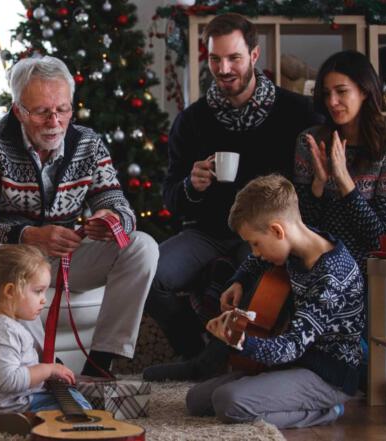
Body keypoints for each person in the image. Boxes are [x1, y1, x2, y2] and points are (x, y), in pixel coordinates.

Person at [143, 13, 320, 381]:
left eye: (234, 58)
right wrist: (192, 186)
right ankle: (196, 352)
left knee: (259, 281)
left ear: (254, 56)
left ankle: (218, 361)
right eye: (214, 59)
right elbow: (171, 199)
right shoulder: (192, 121)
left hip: (261, 234)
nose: (223, 69)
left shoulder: (296, 112)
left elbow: (311, 190)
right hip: (205, 232)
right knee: (148, 275)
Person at [0, 56, 158, 376]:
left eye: (63, 109)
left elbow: (118, 203)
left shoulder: (88, 143)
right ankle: (39, 369)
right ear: (18, 111)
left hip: (67, 255)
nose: (54, 121)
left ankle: (100, 362)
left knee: (142, 246)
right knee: (4, 263)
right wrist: (29, 235)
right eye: (42, 111)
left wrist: (110, 220)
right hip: (14, 255)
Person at [186, 174, 364, 429]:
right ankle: (270, 395)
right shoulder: (296, 242)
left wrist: (236, 338)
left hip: (329, 375)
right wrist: (239, 281)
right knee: (197, 400)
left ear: (277, 230)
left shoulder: (331, 277)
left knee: (227, 403)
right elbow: (255, 261)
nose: (255, 252)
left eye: (255, 244)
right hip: (296, 363)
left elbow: (291, 346)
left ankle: (326, 411)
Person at [0, 244, 92, 430]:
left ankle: (31, 421)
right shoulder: (4, 331)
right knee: (82, 408)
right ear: (10, 291)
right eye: (38, 291)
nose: (43, 299)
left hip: (10, 404)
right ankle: (28, 421)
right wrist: (47, 370)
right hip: (11, 406)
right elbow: (9, 381)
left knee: (72, 398)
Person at [295, 50, 386, 291]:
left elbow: (380, 239)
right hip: (318, 262)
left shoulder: (385, 147)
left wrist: (346, 183)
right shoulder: (310, 141)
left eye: (341, 91)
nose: (332, 102)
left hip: (369, 269)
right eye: (326, 94)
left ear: (365, 91)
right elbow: (301, 227)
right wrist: (318, 184)